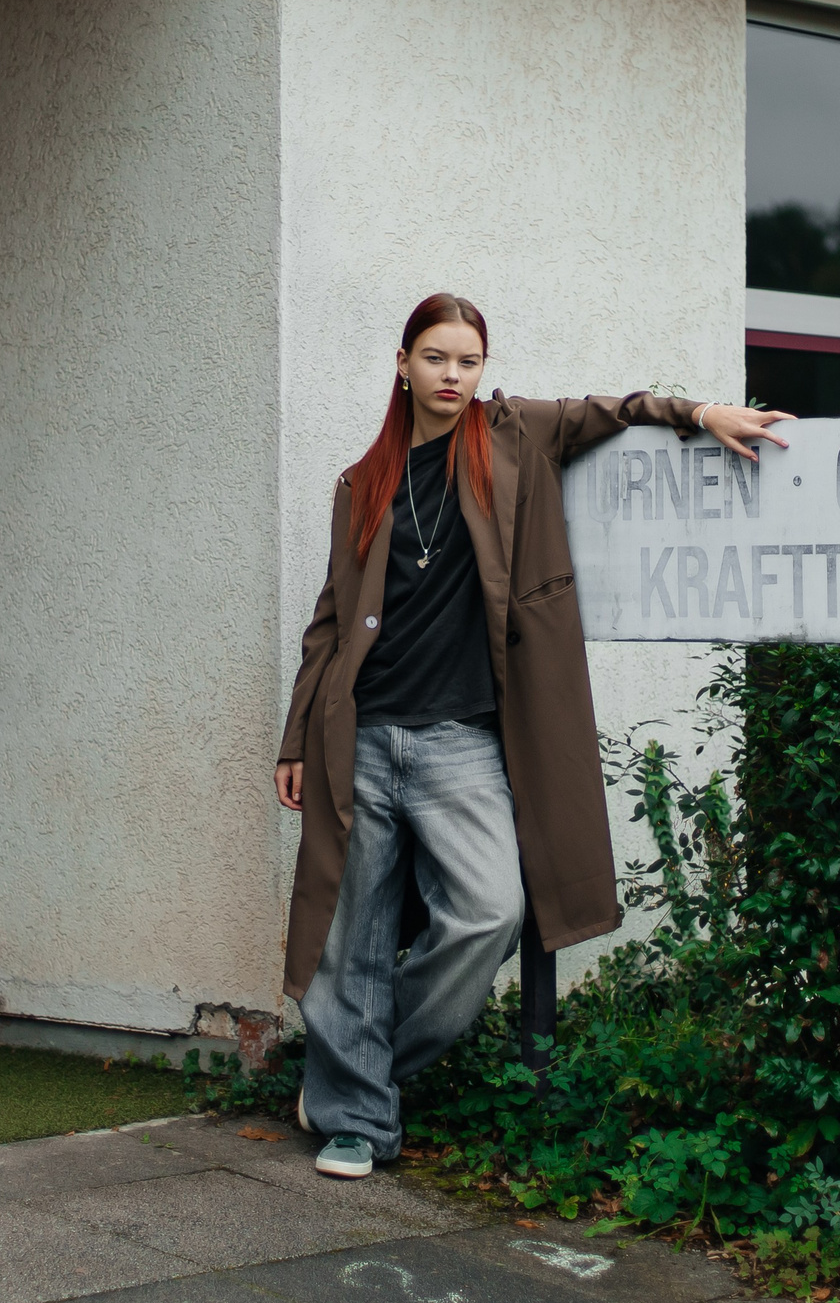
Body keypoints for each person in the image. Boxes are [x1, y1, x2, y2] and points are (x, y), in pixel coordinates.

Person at [273, 292, 791, 1179]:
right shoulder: (363, 484)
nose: (452, 375)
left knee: (490, 912)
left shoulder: (514, 435)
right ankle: (353, 1118)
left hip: (461, 740)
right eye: (436, 357)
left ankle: (355, 1066)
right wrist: (295, 739)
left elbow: (614, 410)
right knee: (352, 933)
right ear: (403, 364)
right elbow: (330, 621)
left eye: (468, 361)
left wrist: (702, 412)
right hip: (362, 735)